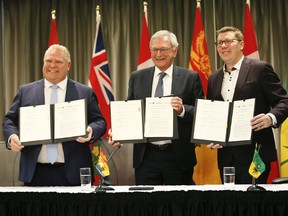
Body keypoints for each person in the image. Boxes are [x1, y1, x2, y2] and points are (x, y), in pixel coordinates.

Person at [2, 44, 106, 186]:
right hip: (35, 172)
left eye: (58, 61)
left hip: (73, 172)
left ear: (68, 65)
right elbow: (9, 120)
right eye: (48, 61)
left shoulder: (84, 92)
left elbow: (99, 121)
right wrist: (12, 137)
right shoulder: (25, 91)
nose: (52, 65)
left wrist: (91, 130)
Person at [109, 30, 204, 185]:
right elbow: (130, 112)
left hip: (178, 155)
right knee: (146, 206)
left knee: (180, 205)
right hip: (146, 156)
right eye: (154, 49)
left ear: (175, 50)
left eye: (164, 49)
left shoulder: (190, 77)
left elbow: (201, 112)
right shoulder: (137, 77)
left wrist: (182, 110)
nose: (158, 54)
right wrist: (119, 133)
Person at [207, 26, 288, 184]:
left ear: (241, 44)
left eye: (229, 41)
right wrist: (212, 135)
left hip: (255, 152)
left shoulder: (260, 69)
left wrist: (270, 118)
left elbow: (283, 101)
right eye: (220, 42)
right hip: (226, 156)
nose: (223, 46)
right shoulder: (213, 77)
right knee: (230, 204)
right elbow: (213, 113)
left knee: (255, 204)